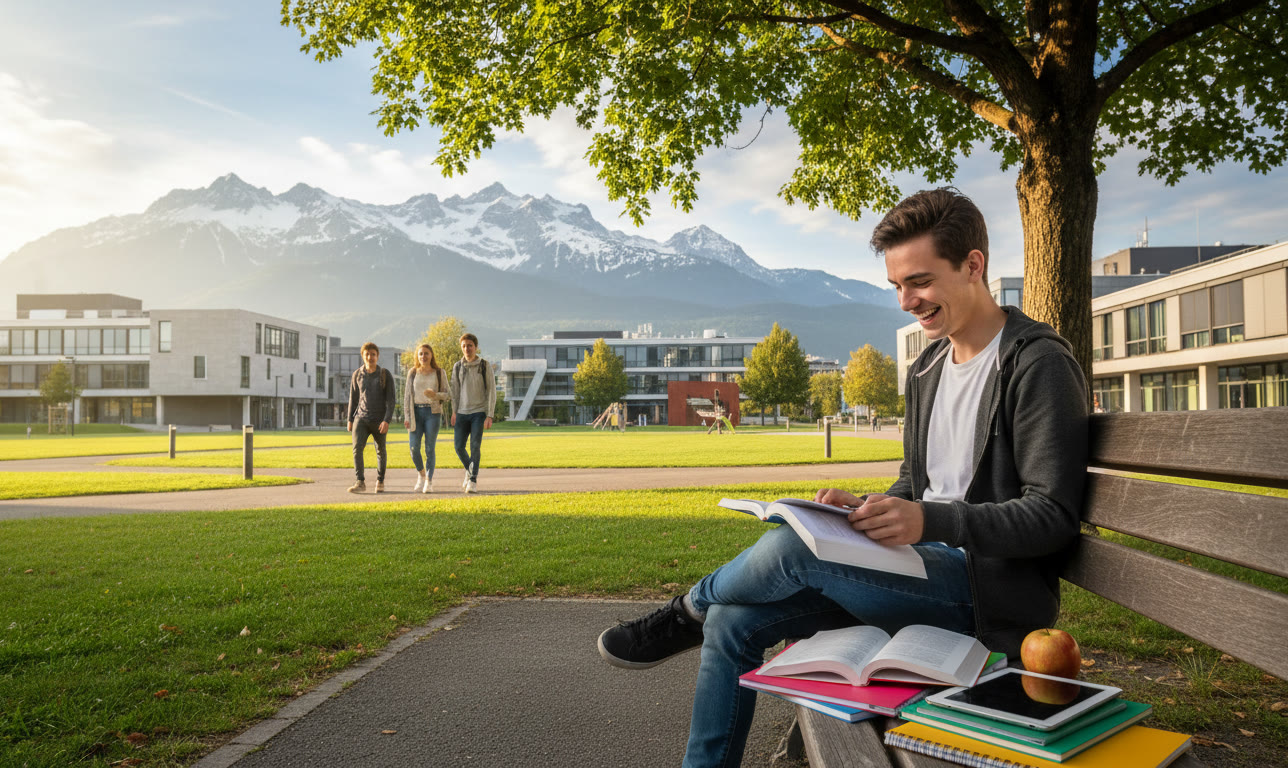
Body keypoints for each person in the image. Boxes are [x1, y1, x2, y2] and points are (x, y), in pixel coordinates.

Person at [597, 188, 1088, 768]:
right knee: (735, 620)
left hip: (986, 594)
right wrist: (871, 508)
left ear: (973, 265)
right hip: (917, 567)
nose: (907, 300)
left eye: (920, 282)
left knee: (789, 550)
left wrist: (927, 519)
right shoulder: (930, 365)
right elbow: (917, 481)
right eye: (897, 286)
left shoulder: (1036, 363)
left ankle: (685, 613)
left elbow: (1051, 517)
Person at [346, 342, 396, 494]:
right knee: (357, 449)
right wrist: (350, 419)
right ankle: (360, 482)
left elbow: (391, 400)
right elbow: (353, 398)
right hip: (361, 418)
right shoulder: (357, 374)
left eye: (373, 354)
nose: (370, 357)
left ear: (377, 356)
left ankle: (380, 481)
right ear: (363, 356)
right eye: (367, 354)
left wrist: (386, 420)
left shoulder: (384, 374)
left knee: (381, 450)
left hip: (379, 420)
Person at [449, 333, 495, 494]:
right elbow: (454, 391)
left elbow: (491, 391)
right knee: (458, 447)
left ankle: (473, 480)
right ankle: (469, 470)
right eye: (464, 346)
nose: (467, 348)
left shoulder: (484, 365)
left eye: (470, 345)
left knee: (475, 446)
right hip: (461, 412)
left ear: (475, 347)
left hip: (479, 413)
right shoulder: (457, 366)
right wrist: (454, 411)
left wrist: (490, 415)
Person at [404, 343, 450, 493]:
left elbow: (448, 395)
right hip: (415, 413)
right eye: (421, 354)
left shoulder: (439, 372)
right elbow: (406, 397)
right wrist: (407, 416)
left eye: (426, 353)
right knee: (413, 448)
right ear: (417, 356)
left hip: (433, 413)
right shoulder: (412, 373)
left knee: (430, 448)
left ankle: (429, 482)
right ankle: (421, 475)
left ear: (431, 355)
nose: (423, 356)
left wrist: (435, 395)